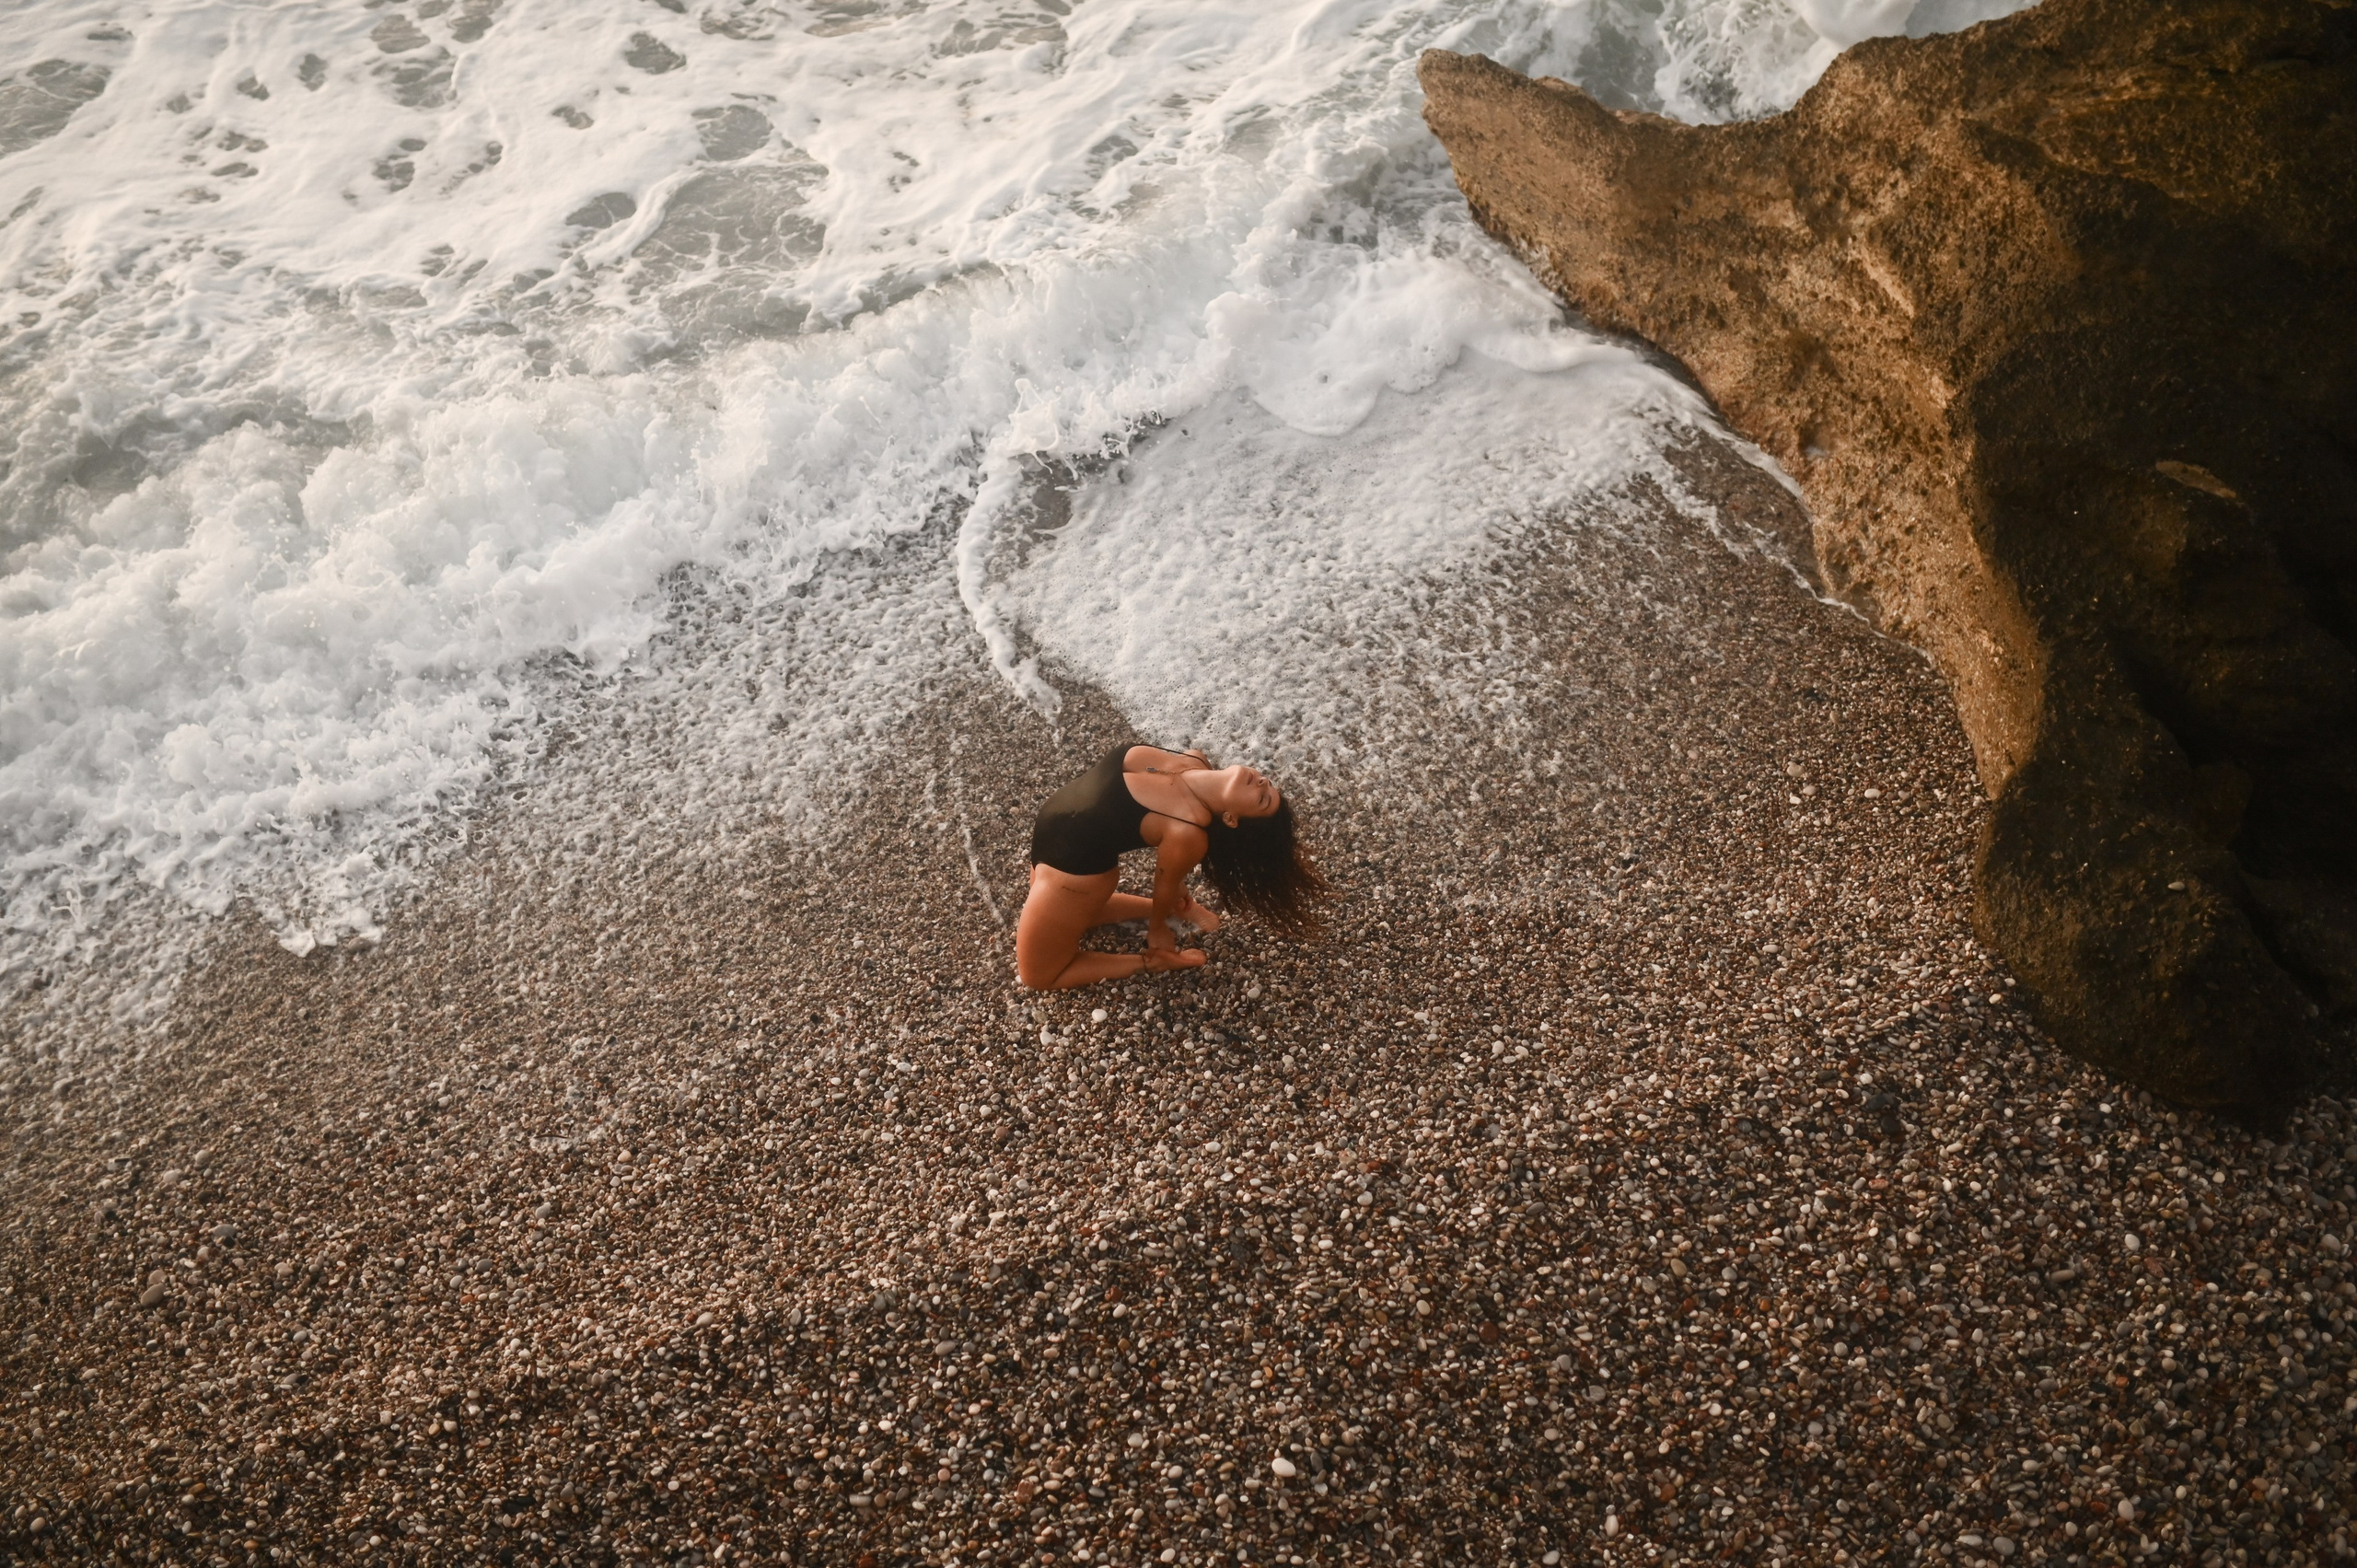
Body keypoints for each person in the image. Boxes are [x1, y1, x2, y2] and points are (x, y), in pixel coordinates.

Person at [1016, 742, 1325, 989]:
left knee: (1040, 975)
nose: (1263, 782)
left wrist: (1158, 929)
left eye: (1262, 799)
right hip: (1048, 840)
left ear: (1231, 819)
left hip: (1071, 874)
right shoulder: (1195, 760)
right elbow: (1172, 876)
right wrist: (1178, 897)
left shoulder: (1188, 830)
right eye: (1268, 785)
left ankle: (1155, 962)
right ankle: (1184, 909)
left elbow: (1165, 881)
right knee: (1079, 918)